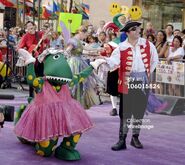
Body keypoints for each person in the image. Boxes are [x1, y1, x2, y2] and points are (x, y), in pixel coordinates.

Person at [91, 21, 158, 150]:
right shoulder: (121, 47)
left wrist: (145, 74)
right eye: (134, 29)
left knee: (139, 112)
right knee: (125, 112)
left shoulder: (148, 44)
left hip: (142, 82)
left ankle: (135, 138)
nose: (138, 31)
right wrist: (102, 60)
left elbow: (154, 60)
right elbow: (113, 62)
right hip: (127, 82)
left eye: (139, 28)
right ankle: (122, 140)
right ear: (127, 33)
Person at [66, 26, 100, 109]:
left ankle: (78, 103)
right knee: (75, 82)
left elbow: (86, 49)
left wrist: (98, 50)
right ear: (81, 32)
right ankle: (72, 103)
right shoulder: (73, 41)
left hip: (79, 62)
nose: (86, 37)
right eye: (85, 35)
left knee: (81, 83)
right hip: (74, 63)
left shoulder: (78, 41)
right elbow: (67, 50)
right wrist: (67, 55)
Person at [17, 21, 50, 97]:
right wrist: (26, 51)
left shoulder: (40, 34)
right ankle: (31, 96)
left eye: (30, 25)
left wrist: (45, 39)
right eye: (27, 26)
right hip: (31, 59)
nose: (29, 27)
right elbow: (20, 47)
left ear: (34, 26)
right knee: (32, 77)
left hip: (40, 58)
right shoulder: (25, 36)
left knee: (40, 76)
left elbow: (47, 42)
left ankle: (41, 95)